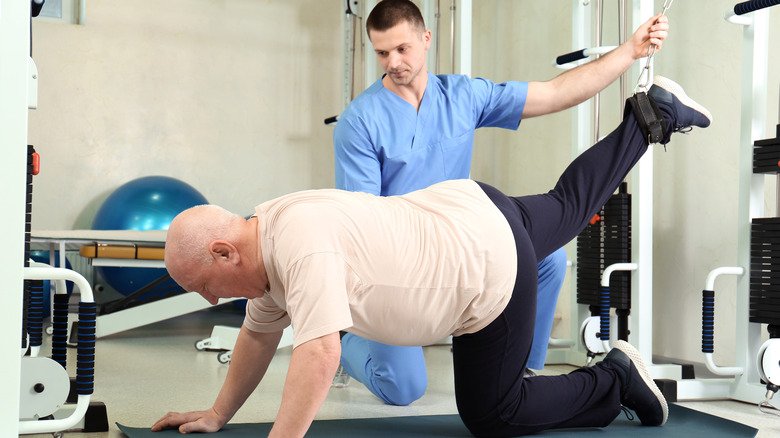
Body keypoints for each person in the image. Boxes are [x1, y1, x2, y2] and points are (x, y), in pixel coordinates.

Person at [152, 77, 709, 437]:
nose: (208, 299)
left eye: (204, 285)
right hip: (468, 207)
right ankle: (648, 118)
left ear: (224, 251)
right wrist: (217, 414)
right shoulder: (266, 230)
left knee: (495, 414)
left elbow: (320, 354)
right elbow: (256, 336)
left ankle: (613, 378)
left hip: (485, 265)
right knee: (568, 206)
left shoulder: (297, 240)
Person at [333, 0, 670, 405]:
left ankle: (521, 371)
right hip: (401, 264)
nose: (393, 62)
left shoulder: (461, 95)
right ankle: (345, 344)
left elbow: (554, 93)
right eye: (382, 53)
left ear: (426, 39)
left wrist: (630, 50)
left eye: (402, 49)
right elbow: (363, 224)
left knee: (546, 259)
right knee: (403, 389)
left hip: (460, 245)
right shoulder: (360, 121)